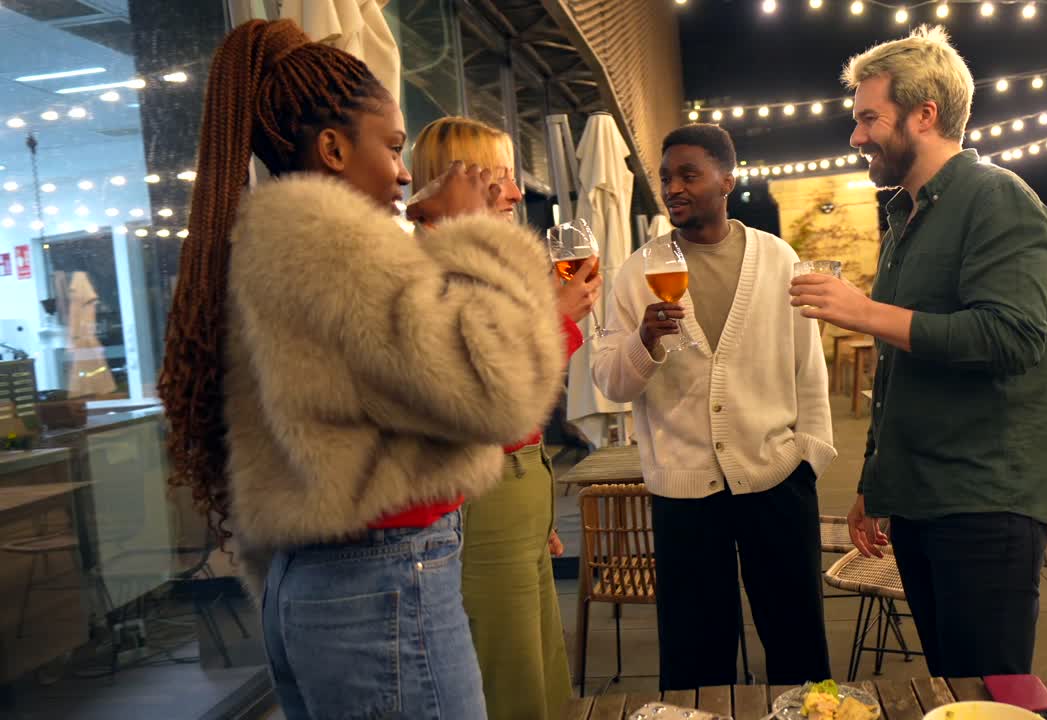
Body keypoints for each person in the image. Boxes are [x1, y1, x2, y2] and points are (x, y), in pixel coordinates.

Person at [158, 20, 566, 719]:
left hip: (325, 581)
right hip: (383, 578)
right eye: (394, 145)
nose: (405, 172)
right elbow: (503, 391)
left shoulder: (269, 240)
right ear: (334, 146)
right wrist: (475, 236)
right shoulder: (333, 247)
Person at [791, 25, 1047, 678]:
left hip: (985, 504)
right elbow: (902, 369)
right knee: (951, 686)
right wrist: (875, 480)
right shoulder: (909, 219)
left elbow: (1012, 337)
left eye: (868, 118)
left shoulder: (997, 199)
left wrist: (864, 312)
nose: (856, 136)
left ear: (925, 114)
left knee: (989, 698)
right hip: (920, 498)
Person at [592, 123, 836, 690]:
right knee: (695, 651)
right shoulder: (640, 270)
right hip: (685, 489)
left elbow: (809, 368)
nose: (673, 188)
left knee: (798, 639)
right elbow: (609, 379)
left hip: (776, 476)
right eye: (666, 177)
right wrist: (645, 343)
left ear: (727, 179)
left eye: (688, 174)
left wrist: (810, 457)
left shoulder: (777, 259)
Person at [410, 115, 602, 719]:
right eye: (497, 179)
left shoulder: (476, 269)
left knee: (544, 667)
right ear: (450, 184)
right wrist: (557, 319)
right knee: (511, 676)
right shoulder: (432, 272)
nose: (517, 194)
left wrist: (539, 506)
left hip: (517, 490)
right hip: (483, 495)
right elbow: (479, 398)